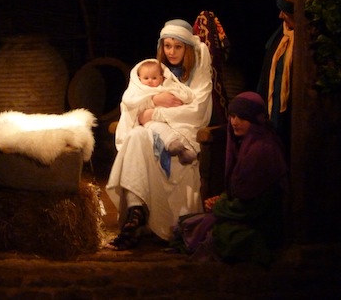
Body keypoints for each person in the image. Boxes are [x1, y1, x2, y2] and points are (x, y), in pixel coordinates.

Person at [106, 19, 213, 250]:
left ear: (187, 48)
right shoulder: (152, 70)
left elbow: (197, 111)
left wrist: (153, 113)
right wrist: (154, 99)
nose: (171, 52)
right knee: (135, 137)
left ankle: (166, 223)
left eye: (177, 46)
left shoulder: (197, 73)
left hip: (183, 131)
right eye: (167, 46)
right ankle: (136, 211)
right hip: (150, 132)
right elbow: (130, 105)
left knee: (161, 145)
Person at [169, 92, 288, 266]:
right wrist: (223, 199)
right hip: (242, 213)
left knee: (218, 233)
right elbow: (239, 191)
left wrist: (220, 205)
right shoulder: (245, 144)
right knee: (189, 223)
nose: (234, 122)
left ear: (255, 120)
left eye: (242, 117)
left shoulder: (262, 150)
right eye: (232, 116)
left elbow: (254, 205)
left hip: (260, 221)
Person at [120, 58, 198, 166]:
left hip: (169, 118)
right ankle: (174, 145)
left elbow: (185, 96)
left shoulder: (167, 87)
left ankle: (185, 151)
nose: (150, 81)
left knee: (181, 129)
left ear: (161, 78)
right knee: (158, 128)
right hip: (150, 122)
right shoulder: (136, 91)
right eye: (146, 78)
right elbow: (131, 103)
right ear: (139, 79)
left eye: (154, 78)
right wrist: (152, 101)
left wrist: (176, 96)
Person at [257, 0, 295, 154]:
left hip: (292, 117)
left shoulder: (302, 42)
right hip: (273, 112)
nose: (280, 16)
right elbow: (266, 75)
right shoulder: (279, 37)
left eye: (285, 11)